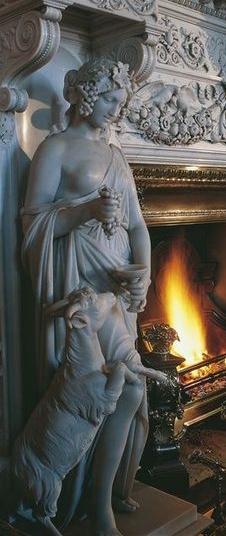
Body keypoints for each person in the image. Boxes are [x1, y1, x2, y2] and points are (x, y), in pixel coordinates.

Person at [22, 58, 151, 535]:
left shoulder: (117, 156)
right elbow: (31, 226)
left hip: (116, 294)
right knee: (87, 395)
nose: (117, 112)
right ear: (87, 96)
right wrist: (85, 212)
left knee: (131, 388)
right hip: (76, 291)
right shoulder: (54, 149)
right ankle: (74, 502)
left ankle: (102, 503)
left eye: (122, 103)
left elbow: (137, 225)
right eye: (113, 101)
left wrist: (146, 274)